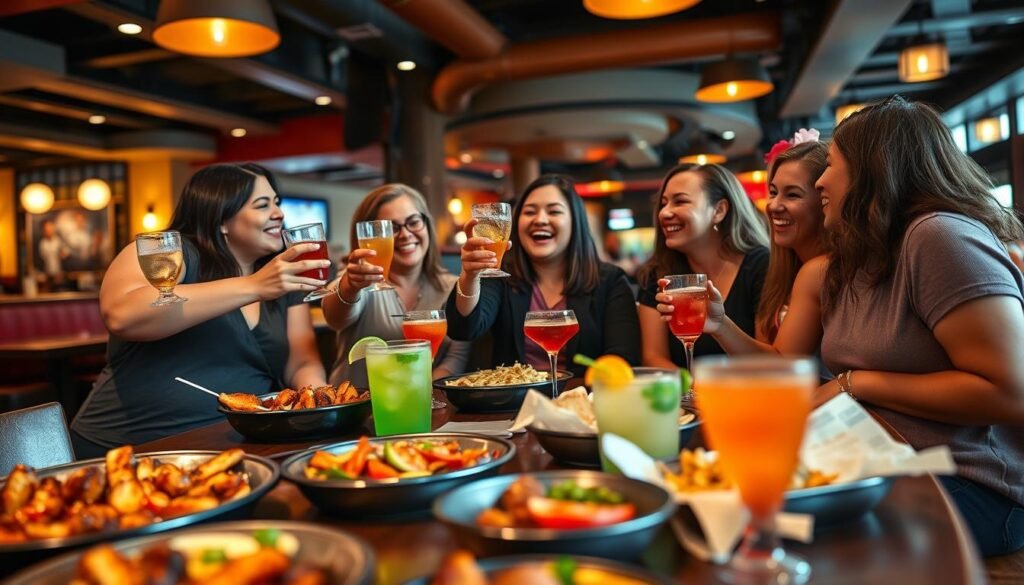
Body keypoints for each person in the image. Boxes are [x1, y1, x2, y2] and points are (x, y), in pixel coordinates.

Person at [815, 96, 1024, 556]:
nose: (819, 181)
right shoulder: (865, 253)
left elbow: (1011, 392)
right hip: (883, 460)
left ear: (872, 169)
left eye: (830, 165)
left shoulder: (938, 236)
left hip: (972, 484)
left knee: (814, 544)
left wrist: (856, 383)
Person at [71, 163, 329, 456]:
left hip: (237, 445)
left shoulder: (284, 276)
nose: (279, 213)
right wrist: (253, 286)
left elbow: (300, 362)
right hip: (130, 448)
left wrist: (322, 401)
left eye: (277, 202)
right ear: (221, 220)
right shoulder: (175, 251)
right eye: (262, 205)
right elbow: (122, 315)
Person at [446, 174, 640, 375]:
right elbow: (463, 329)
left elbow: (623, 357)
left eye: (554, 211)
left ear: (575, 221)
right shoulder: (502, 277)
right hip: (515, 395)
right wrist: (470, 276)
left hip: (584, 392)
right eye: (529, 212)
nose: (540, 220)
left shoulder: (611, 281)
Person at [656, 136, 831, 359]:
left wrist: (720, 325)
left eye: (792, 194)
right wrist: (719, 324)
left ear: (825, 200)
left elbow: (781, 366)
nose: (774, 205)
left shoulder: (810, 269)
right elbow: (770, 362)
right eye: (773, 192)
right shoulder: (785, 269)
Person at [322, 184, 469, 387]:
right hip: (355, 404)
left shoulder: (455, 287)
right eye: (391, 228)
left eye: (413, 222)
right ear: (368, 236)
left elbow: (456, 357)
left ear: (427, 225)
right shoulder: (359, 281)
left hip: (426, 402)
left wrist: (418, 393)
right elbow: (335, 317)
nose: (405, 234)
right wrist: (350, 285)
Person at [637, 163, 770, 369]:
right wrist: (693, 386)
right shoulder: (657, 273)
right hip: (685, 390)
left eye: (680, 201)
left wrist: (721, 326)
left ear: (719, 211)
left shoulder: (761, 265)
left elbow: (770, 363)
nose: (664, 213)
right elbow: (653, 357)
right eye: (663, 203)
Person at [37, 219, 69, 290]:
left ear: (54, 228)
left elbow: (66, 255)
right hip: (47, 276)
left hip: (60, 275)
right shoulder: (42, 243)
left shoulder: (59, 241)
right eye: (46, 229)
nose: (49, 230)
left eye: (50, 228)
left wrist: (63, 255)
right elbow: (41, 260)